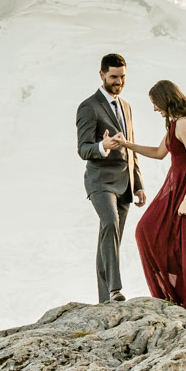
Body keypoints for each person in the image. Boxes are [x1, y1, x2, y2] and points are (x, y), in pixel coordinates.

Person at [107, 79, 186, 320]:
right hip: (178, 186)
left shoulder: (183, 125)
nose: (154, 109)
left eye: (155, 104)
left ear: (165, 100)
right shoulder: (173, 126)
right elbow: (159, 153)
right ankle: (178, 296)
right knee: (147, 230)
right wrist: (126, 144)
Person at [75, 53, 144, 303]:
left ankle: (105, 300)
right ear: (102, 74)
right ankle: (115, 289)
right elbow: (83, 148)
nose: (119, 82)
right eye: (114, 77)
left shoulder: (126, 107)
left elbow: (131, 146)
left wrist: (139, 185)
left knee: (110, 237)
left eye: (122, 77)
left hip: (125, 183)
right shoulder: (88, 107)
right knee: (110, 222)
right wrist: (103, 146)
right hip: (100, 181)